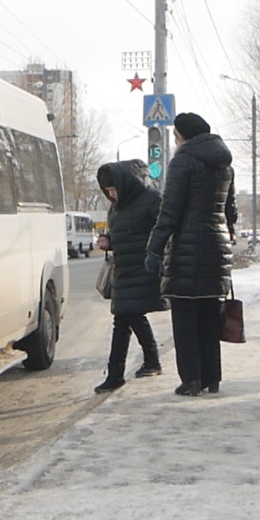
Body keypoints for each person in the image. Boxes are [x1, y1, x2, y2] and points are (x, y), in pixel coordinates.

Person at [144, 112, 238, 398]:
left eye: (175, 135)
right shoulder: (225, 165)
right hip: (217, 247)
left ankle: (191, 380)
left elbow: (169, 212)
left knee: (185, 318)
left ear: (183, 135)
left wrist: (154, 248)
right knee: (210, 317)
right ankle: (212, 378)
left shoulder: (183, 162)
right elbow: (230, 210)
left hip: (187, 248)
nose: (174, 140)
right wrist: (225, 237)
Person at [92, 160, 165, 392]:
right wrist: (108, 241)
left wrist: (158, 256)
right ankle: (147, 363)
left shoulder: (151, 200)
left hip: (143, 269)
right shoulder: (117, 205)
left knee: (127, 317)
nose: (112, 195)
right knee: (126, 319)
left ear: (126, 184)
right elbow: (119, 233)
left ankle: (118, 374)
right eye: (108, 192)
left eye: (114, 190)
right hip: (123, 270)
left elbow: (165, 227)